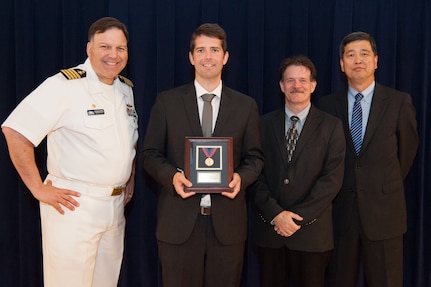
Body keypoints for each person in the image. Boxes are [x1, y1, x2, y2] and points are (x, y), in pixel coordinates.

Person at [2, 17, 138, 287]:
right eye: (105, 47)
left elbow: (127, 142)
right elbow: (16, 131)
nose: (113, 55)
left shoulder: (125, 90)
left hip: (114, 207)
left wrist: (128, 178)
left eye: (120, 48)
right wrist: (38, 189)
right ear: (89, 49)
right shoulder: (64, 85)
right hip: (74, 206)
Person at [141, 23, 263, 287]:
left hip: (228, 226)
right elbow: (150, 154)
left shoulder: (246, 106)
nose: (208, 56)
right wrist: (172, 176)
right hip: (178, 224)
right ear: (191, 57)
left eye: (215, 50)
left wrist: (241, 178)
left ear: (225, 57)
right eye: (201, 50)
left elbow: (255, 158)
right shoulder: (167, 102)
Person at [318, 31, 419, 287]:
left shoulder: (398, 102)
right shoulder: (326, 106)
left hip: (385, 213)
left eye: (364, 54)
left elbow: (406, 154)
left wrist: (382, 183)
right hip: (341, 214)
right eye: (350, 55)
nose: (357, 60)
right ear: (342, 64)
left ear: (376, 61)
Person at [252, 55, 345, 287]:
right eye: (290, 80)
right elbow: (254, 173)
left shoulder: (331, 126)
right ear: (281, 86)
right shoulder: (261, 125)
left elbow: (331, 180)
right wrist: (276, 214)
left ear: (313, 85)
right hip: (270, 232)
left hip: (312, 236)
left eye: (303, 80)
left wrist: (295, 219)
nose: (297, 86)